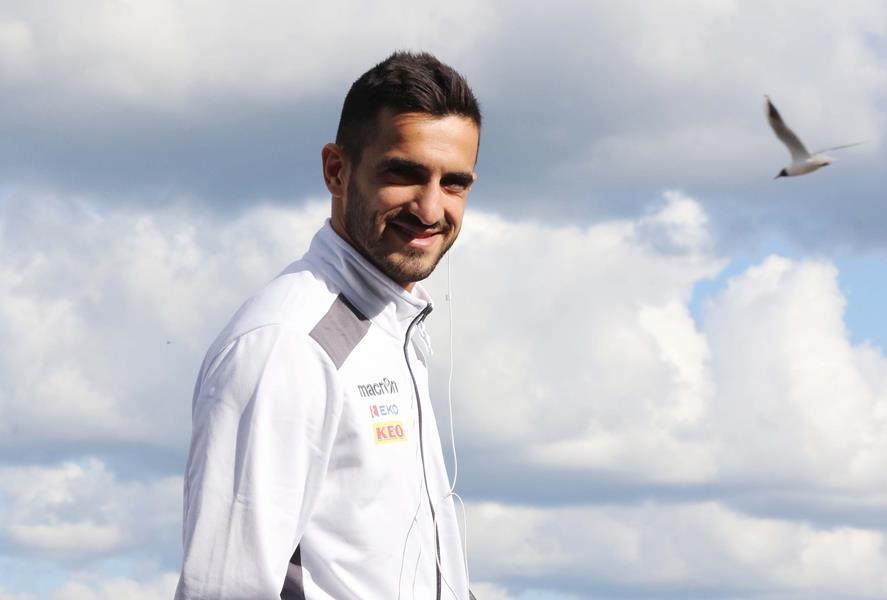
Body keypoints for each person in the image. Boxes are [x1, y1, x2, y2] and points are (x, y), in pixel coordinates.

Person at [175, 51, 481, 600]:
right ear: (336, 171)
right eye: (405, 174)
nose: (431, 209)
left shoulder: (390, 325)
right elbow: (224, 589)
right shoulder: (286, 344)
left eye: (454, 183)